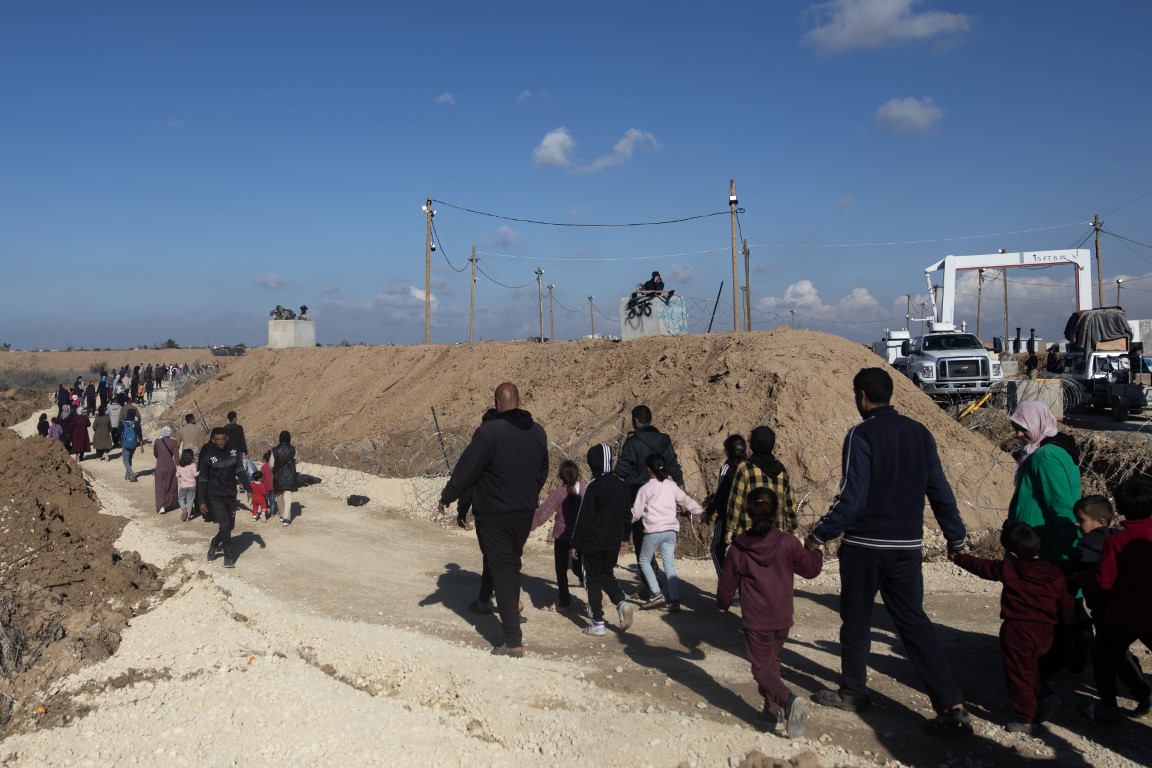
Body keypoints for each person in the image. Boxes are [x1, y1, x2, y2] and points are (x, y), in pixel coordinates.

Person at [806, 367, 973, 738]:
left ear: (862, 395)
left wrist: (819, 535)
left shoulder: (861, 435)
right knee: (914, 623)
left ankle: (853, 691)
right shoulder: (919, 433)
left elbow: (852, 497)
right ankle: (951, 703)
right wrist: (955, 537)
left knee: (856, 619)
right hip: (907, 548)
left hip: (866, 546)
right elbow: (940, 490)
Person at [437, 382, 548, 657]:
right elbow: (542, 469)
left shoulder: (489, 432)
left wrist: (448, 495)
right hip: (524, 511)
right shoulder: (538, 432)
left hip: (495, 513)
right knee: (511, 562)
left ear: (498, 402)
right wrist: (529, 494)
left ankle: (512, 640)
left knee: (501, 568)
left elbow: (467, 469)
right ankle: (504, 606)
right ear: (519, 401)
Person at [718, 487, 823, 738]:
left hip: (757, 620)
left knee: (761, 668)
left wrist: (722, 604)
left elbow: (727, 584)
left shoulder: (739, 550)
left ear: (748, 512)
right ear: (776, 512)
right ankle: (771, 711)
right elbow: (810, 570)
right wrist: (816, 551)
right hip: (783, 618)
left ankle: (788, 700)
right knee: (771, 662)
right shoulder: (788, 542)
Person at [950, 523, 1072, 734]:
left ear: (1012, 553)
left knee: (1018, 673)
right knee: (1032, 666)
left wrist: (959, 557)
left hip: (1018, 630)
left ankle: (1027, 718)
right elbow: (1066, 604)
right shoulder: (1054, 573)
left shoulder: (1011, 568)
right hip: (1046, 632)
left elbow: (982, 567)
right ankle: (1045, 696)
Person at [1007, 400, 1086, 682]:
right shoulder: (1049, 451)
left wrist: (1072, 543)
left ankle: (1068, 656)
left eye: (1022, 429)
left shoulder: (1045, 457)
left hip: (1047, 542)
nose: (1018, 435)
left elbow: (1060, 503)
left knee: (1055, 607)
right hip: (1042, 540)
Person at [1074, 477, 1152, 722]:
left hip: (1124, 614)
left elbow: (1105, 581)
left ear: (1119, 508)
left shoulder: (1116, 541)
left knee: (1104, 654)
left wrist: (1078, 577)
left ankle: (1108, 706)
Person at [613, 405, 684, 599]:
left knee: (641, 538)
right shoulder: (663, 440)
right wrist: (680, 489)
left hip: (637, 493)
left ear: (636, 420)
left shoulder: (632, 442)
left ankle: (651, 586)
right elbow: (673, 466)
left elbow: (622, 469)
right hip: (662, 494)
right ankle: (660, 587)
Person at [568, 443, 635, 636]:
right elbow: (626, 515)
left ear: (593, 463)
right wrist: (624, 538)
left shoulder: (594, 486)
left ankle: (597, 622)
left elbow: (584, 518)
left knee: (593, 581)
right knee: (607, 574)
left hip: (593, 542)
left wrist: (575, 543)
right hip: (613, 541)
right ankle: (621, 603)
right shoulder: (622, 485)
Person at [630, 454, 704, 612]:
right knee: (669, 565)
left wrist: (622, 521)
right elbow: (686, 501)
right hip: (670, 532)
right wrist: (701, 512)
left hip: (653, 532)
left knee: (644, 560)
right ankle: (674, 599)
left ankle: (656, 593)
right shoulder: (671, 486)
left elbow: (636, 514)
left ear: (648, 470)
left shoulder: (645, 488)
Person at [725, 426, 798, 542]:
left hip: (747, 534)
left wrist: (730, 528)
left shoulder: (745, 468)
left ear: (753, 443)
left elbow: (736, 501)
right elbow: (789, 506)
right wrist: (794, 530)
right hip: (775, 536)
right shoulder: (782, 471)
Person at [530, 459, 584, 612]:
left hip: (562, 536)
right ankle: (596, 592)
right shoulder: (586, 489)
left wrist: (526, 526)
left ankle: (565, 601)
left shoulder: (558, 494)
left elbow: (541, 515)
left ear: (560, 476)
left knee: (561, 570)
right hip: (581, 537)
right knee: (580, 569)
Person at [197, 427, 252, 569]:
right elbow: (202, 479)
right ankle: (228, 557)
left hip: (230, 494)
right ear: (213, 440)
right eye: (217, 440)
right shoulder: (207, 455)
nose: (221, 442)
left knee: (230, 526)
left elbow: (240, 471)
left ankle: (215, 543)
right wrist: (201, 500)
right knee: (225, 525)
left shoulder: (233, 452)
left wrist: (248, 488)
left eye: (223, 439)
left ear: (226, 438)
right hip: (215, 495)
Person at [270, 431, 298, 526]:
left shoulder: (275, 450)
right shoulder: (293, 449)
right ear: (289, 438)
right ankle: (286, 518)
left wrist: (274, 471)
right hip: (290, 476)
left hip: (278, 476)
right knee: (288, 497)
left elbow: (271, 465)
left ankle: (281, 515)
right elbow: (296, 461)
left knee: (279, 496)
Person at [152, 426, 180, 514]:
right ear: (170, 433)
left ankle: (161, 506)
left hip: (160, 466)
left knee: (160, 486)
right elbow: (176, 457)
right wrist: (179, 467)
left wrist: (160, 457)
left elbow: (155, 453)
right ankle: (169, 503)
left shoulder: (157, 442)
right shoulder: (174, 442)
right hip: (171, 467)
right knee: (171, 485)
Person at [223, 411, 249, 478]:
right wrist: (245, 451)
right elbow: (242, 439)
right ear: (234, 418)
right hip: (238, 450)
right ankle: (240, 481)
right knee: (239, 467)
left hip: (229, 451)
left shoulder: (224, 428)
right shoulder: (239, 427)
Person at [120, 405, 142, 482]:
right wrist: (141, 446)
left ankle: (131, 473)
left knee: (125, 460)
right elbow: (140, 434)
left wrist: (120, 441)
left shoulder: (122, 422)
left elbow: (118, 432)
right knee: (130, 459)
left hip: (125, 443)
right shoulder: (136, 423)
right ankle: (127, 474)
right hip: (133, 444)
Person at [176, 449, 199, 522]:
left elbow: (177, 475)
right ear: (191, 456)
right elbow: (195, 474)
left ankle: (184, 509)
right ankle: (188, 516)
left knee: (181, 498)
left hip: (183, 485)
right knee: (190, 500)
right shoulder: (193, 465)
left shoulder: (180, 466)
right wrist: (200, 472)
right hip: (192, 485)